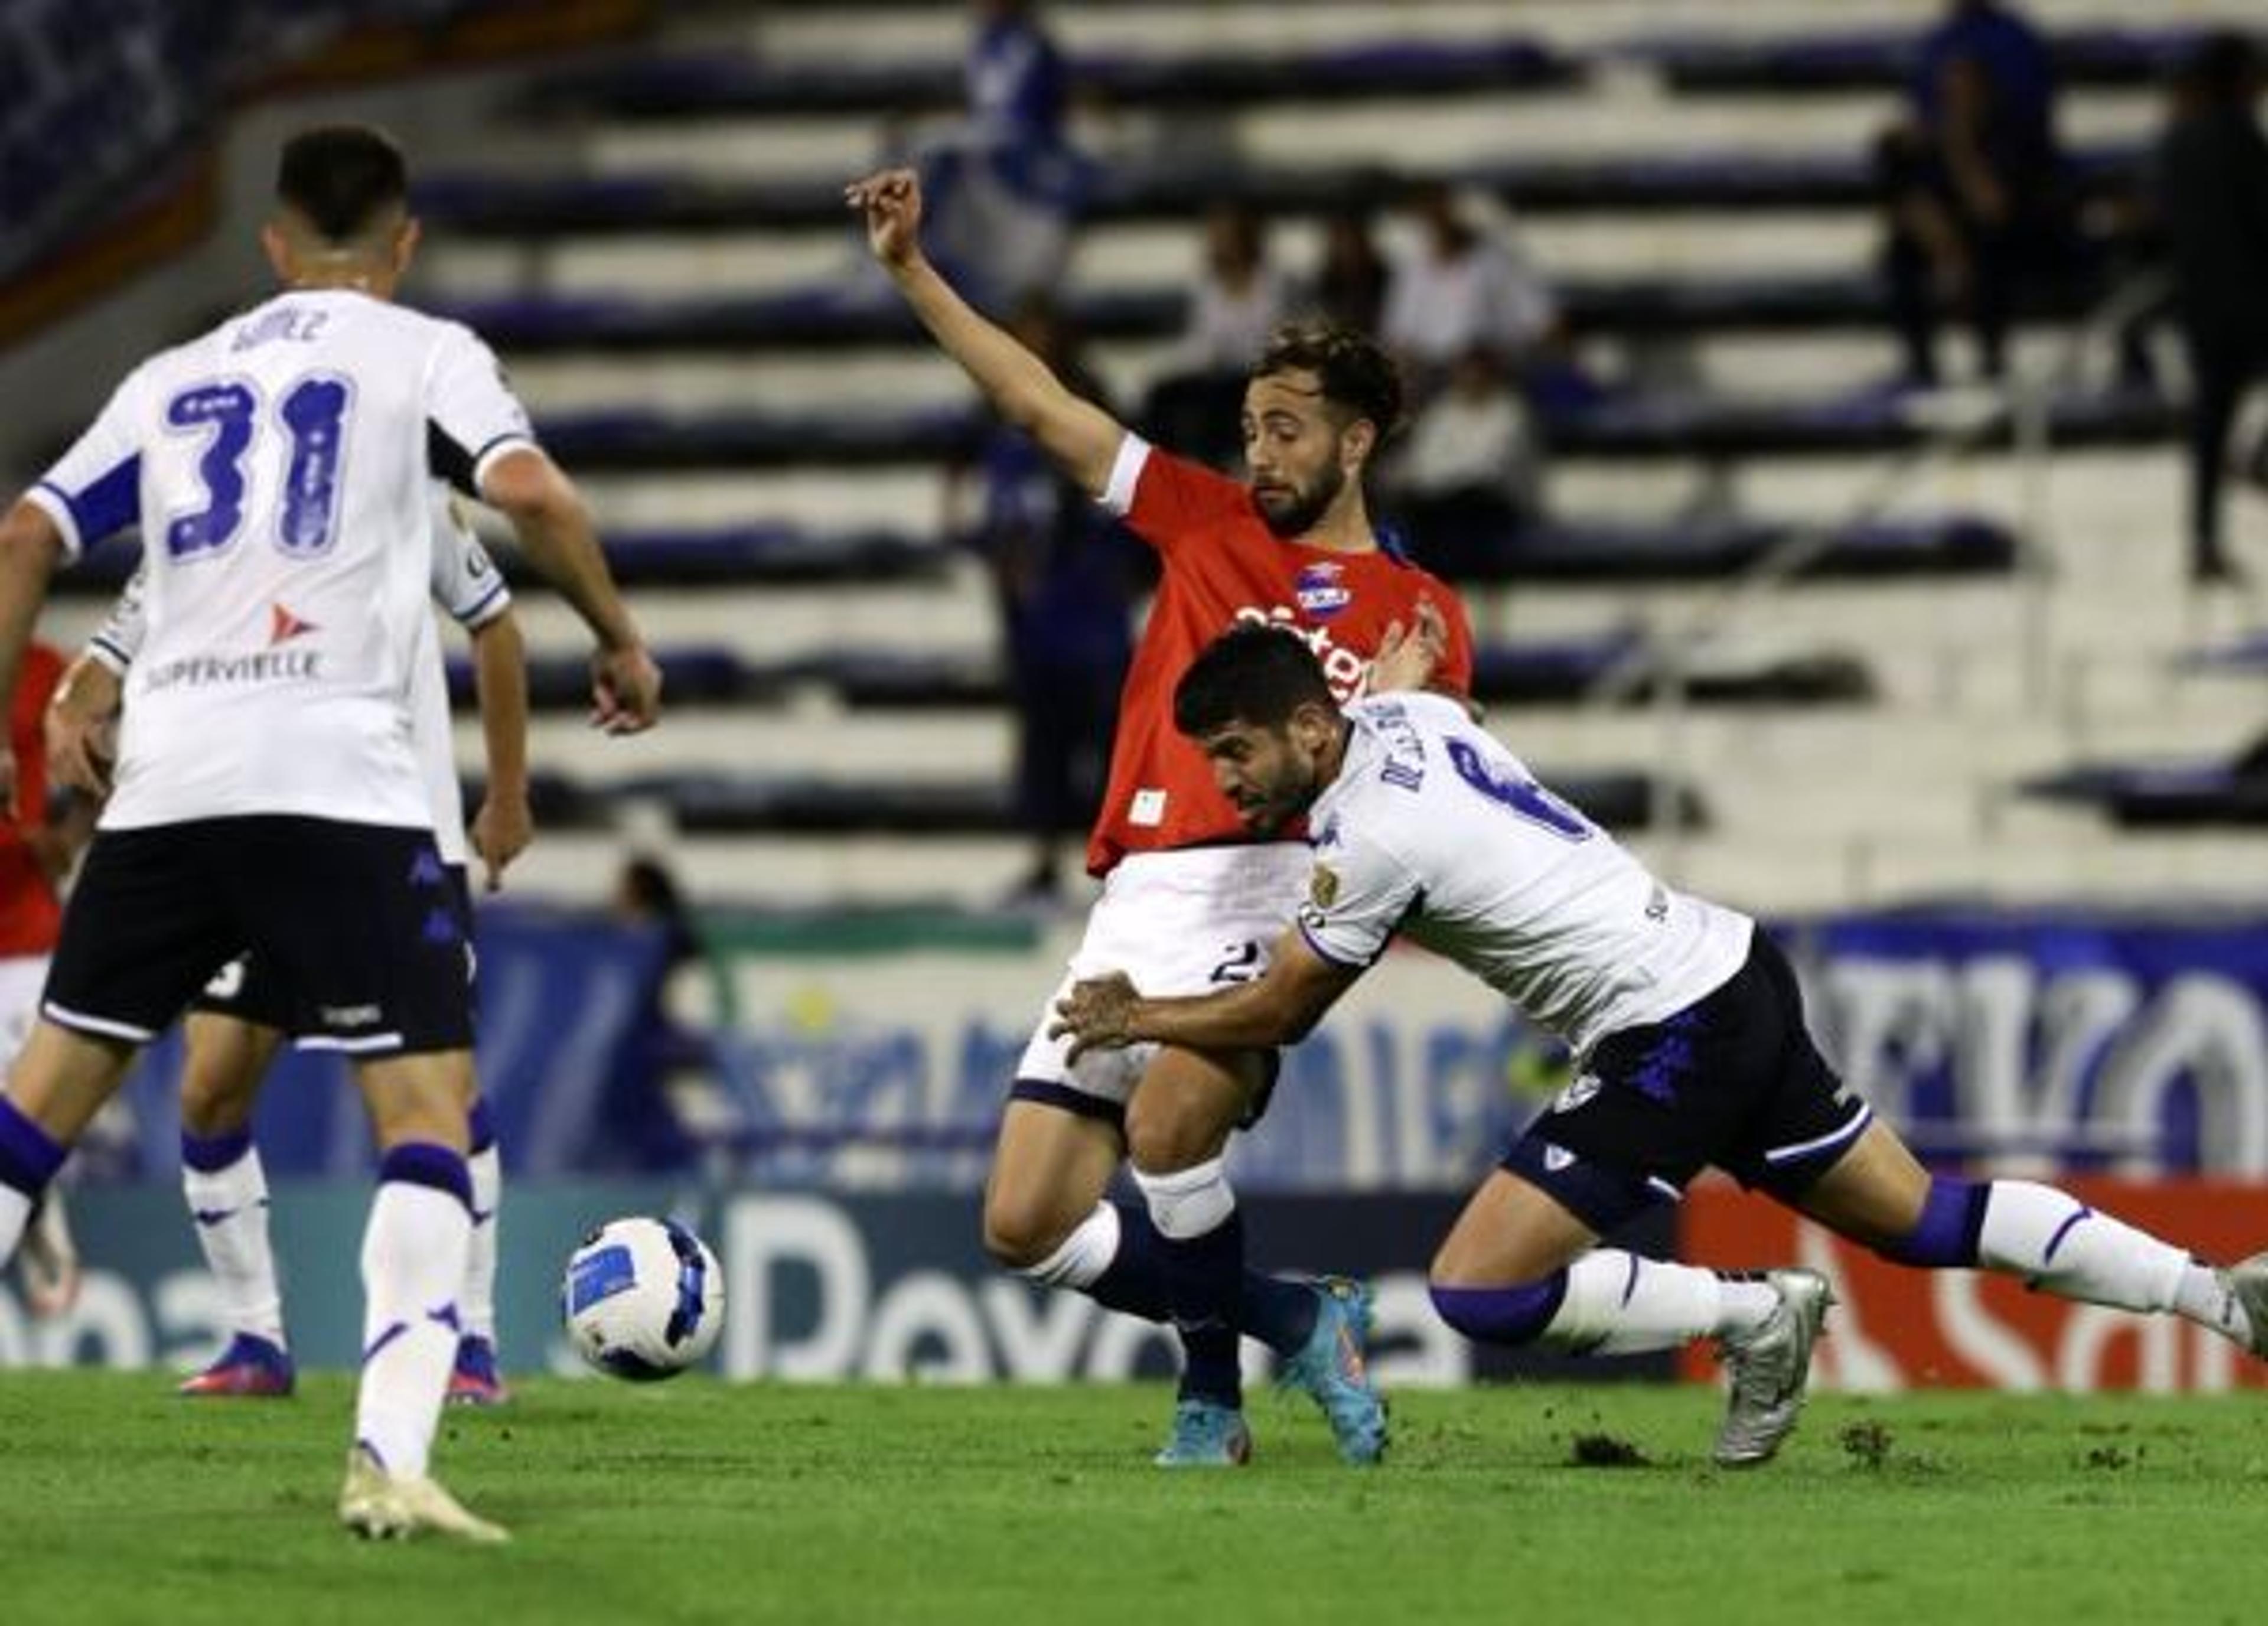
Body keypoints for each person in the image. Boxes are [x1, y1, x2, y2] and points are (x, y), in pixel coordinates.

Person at [1051, 624, 2268, 1467]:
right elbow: (1409, 696)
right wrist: (1391, 677)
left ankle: (1755, 1314)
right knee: (1923, 1217)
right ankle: (2221, 1292)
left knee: (1481, 1288)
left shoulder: (1363, 839)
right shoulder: (1406, 716)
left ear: (1311, 729)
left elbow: (1278, 1009)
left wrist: (1135, 1013)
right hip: (1732, 968)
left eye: (1237, 753)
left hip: (1666, 1027)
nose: (1225, 780)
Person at [0, 123, 660, 1541]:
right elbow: (528, 491)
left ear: (271, 245)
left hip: (171, 790)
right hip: (342, 790)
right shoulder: (421, 355)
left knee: (32, 1114)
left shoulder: (172, 379)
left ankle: (324, 1384)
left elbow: (25, 538)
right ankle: (387, 1455)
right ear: (405, 242)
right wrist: (617, 634)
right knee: (421, 1119)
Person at [846, 165, 1477, 1468]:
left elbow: (1430, 807)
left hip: (1274, 890)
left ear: (1356, 441)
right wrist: (913, 271)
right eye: (1253, 425)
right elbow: (1039, 404)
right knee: (1024, 1219)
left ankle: (1210, 1407)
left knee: (1169, 1124)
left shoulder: (1419, 617)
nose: (1262, 450)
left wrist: (1401, 718)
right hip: (1141, 890)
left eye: (1290, 428)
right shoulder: (1202, 521)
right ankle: (1294, 1315)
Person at [45, 490, 532, 1404]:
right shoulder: (220, 511)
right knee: (210, 1082)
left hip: (398, 836)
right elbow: (127, 630)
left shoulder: (399, 488)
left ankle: (473, 1341)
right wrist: (88, 690)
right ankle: (257, 1339)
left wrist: (506, 796)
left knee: (442, 1089)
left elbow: (494, 622)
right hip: (253, 835)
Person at [957, 295, 1142, 900]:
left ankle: (1120, 862)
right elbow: (999, 522)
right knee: (1044, 749)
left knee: (1108, 746)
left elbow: (1121, 510)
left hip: (1092, 618)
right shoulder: (1005, 432)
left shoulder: (1093, 417)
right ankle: (1044, 856)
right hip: (1038, 624)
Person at [1878, 0, 2072, 387]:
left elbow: (1996, 205)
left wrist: (1962, 144)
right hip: (1954, 218)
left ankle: (1991, 362)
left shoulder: (2015, 58)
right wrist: (1942, 241)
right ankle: (1920, 365)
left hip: (2016, 217)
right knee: (1901, 251)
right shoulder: (1940, 43)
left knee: (1990, 245)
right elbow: (1909, 188)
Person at [2155, 32, 2268, 584]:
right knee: (2219, 421)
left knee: (2211, 424)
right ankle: (2260, 462)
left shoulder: (2176, 143)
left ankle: (2203, 542)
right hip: (2252, 304)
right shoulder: (2241, 139)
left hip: (2200, 307)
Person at [0, 640, 92, 1318]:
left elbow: (93, 763)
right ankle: (41, 1217)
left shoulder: (45, 667)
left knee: (23, 1104)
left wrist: (69, 833)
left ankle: (41, 1222)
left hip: (25, 932)